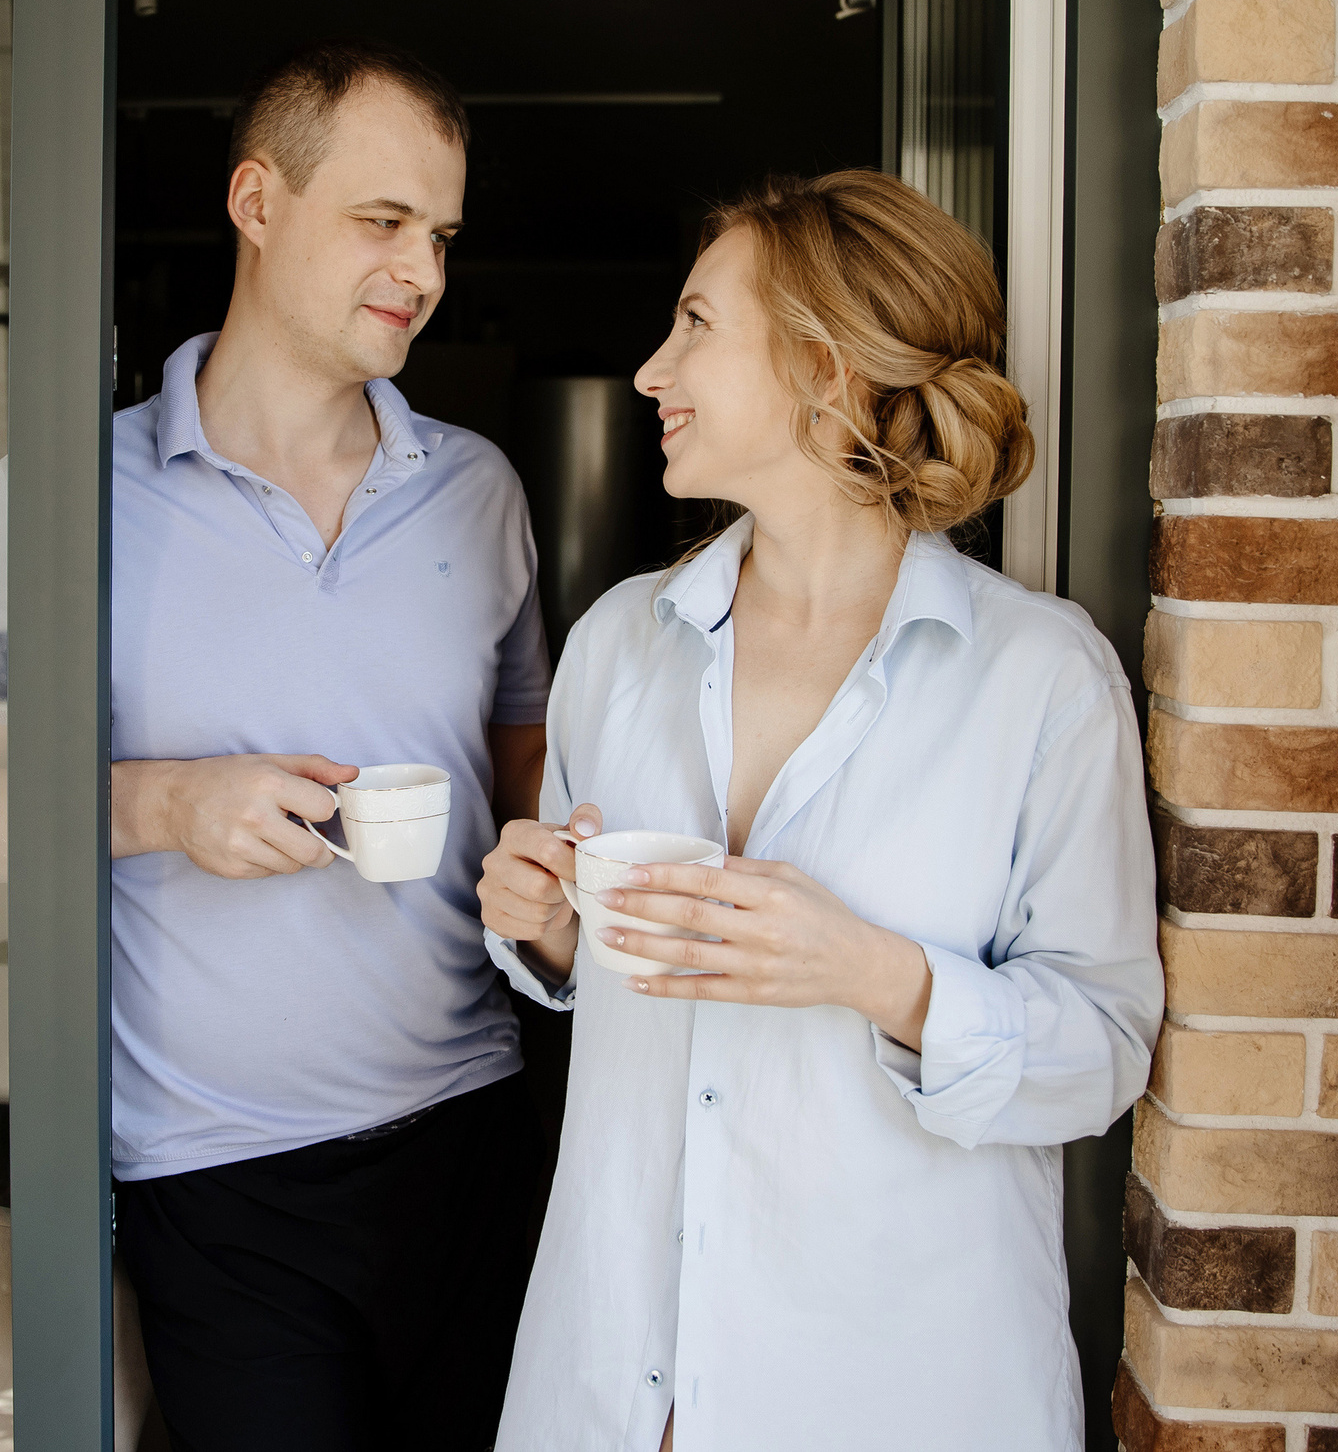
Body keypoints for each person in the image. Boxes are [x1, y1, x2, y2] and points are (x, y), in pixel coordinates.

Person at [0, 41, 551, 1452]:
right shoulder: (59, 495)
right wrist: (165, 801)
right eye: (382, 222)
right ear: (257, 199)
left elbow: (519, 796)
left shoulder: (480, 490)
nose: (420, 270)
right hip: (221, 1187)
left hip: (478, 1145)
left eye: (439, 234)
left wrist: (557, 904)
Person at [475, 170, 1161, 1450]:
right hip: (618, 1380)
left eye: (694, 325)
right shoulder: (620, 643)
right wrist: (543, 923)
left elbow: (1104, 1047)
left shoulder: (1040, 678)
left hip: (896, 1388)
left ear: (826, 369)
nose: (648, 370)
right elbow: (576, 950)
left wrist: (874, 975)